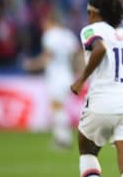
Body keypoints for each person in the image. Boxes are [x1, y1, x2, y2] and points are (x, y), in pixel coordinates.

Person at [70, 0, 123, 177]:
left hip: (102, 101)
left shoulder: (92, 29)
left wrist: (81, 80)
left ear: (94, 13)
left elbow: (100, 48)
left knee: (88, 152)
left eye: (88, 12)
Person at [23, 8, 81, 149]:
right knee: (60, 107)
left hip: (55, 76)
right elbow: (78, 53)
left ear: (50, 21)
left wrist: (32, 64)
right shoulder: (67, 35)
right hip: (68, 75)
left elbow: (47, 56)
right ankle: (62, 138)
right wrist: (80, 71)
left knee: (57, 107)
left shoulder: (49, 35)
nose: (43, 25)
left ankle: (63, 140)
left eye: (44, 22)